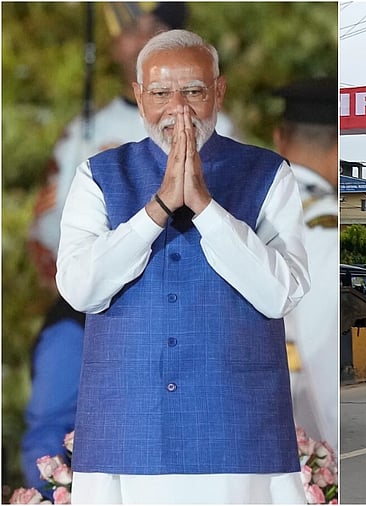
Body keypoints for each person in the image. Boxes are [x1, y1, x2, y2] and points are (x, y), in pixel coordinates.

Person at [55, 29, 310, 503]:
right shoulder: (98, 174)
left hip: (236, 428)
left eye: (193, 91)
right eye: (160, 93)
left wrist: (207, 209)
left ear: (219, 91)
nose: (179, 108)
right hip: (126, 427)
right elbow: (79, 289)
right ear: (138, 96)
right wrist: (157, 210)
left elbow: (281, 293)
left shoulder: (268, 173)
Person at [20, 5, 239, 498]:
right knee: (50, 426)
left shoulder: (225, 135)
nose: (122, 34)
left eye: (135, 20)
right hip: (86, 307)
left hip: (190, 314)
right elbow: (45, 232)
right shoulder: (86, 132)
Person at [273, 78, 339, 449]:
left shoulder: (232, 209)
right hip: (294, 433)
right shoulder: (321, 224)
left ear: (279, 136)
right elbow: (319, 355)